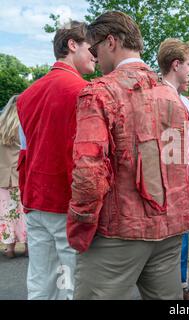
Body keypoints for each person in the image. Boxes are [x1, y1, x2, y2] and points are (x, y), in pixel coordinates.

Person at [67, 12, 189, 300]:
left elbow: (89, 171)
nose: (95, 58)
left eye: (94, 49)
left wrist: (80, 222)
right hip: (169, 227)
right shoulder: (171, 96)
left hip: (118, 231)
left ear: (110, 41)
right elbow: (179, 162)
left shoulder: (99, 92)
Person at [16, 21, 95, 300]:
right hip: (68, 203)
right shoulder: (85, 91)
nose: (95, 54)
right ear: (72, 45)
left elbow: (23, 152)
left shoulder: (26, 96)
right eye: (90, 47)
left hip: (35, 200)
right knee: (71, 286)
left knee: (40, 284)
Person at [157, 38, 189, 300]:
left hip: (186, 180)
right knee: (159, 238)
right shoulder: (152, 97)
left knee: (183, 235)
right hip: (159, 182)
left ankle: (181, 282)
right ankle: (160, 288)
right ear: (176, 64)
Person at [0, 95, 27, 258]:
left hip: (2, 176)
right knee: (23, 211)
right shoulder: (23, 124)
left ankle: (9, 248)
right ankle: (27, 246)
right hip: (20, 174)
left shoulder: (1, 125)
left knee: (6, 212)